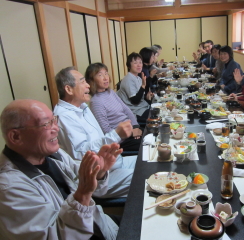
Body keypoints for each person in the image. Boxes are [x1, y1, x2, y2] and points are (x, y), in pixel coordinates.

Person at [0, 99, 121, 239]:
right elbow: (53, 236)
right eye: (46, 124)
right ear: (16, 136)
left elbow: (92, 187)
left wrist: (97, 173)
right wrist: (83, 194)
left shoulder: (54, 155)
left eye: (54, 120)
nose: (56, 128)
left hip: (101, 224)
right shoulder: (9, 187)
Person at [54, 66, 135, 198]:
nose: (88, 86)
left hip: (113, 163)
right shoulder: (63, 116)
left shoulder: (82, 106)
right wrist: (116, 134)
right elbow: (82, 153)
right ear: (68, 89)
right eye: (83, 82)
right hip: (98, 177)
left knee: (150, 160)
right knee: (146, 176)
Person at [85, 62, 142, 152]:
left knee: (153, 131)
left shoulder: (110, 92)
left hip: (131, 130)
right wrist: (131, 133)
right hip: (121, 141)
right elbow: (106, 131)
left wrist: (135, 126)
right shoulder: (96, 102)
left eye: (106, 73)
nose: (105, 78)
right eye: (100, 75)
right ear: (92, 80)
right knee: (150, 145)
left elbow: (126, 109)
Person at [117, 52, 152, 123]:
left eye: (140, 62)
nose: (139, 65)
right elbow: (135, 100)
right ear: (129, 65)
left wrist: (148, 98)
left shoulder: (138, 78)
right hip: (136, 112)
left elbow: (141, 97)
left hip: (143, 107)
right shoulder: (128, 79)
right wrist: (143, 86)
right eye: (135, 63)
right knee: (158, 116)